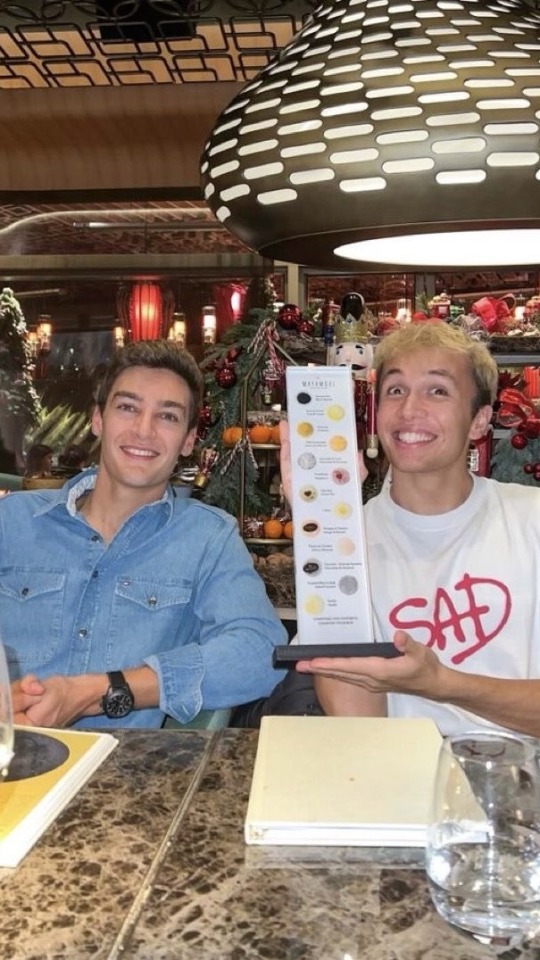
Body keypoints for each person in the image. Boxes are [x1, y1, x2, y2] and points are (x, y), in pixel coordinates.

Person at [5, 340, 287, 730]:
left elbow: (262, 652)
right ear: (98, 420)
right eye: (128, 407)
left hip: (119, 765)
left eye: (167, 416)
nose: (143, 430)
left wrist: (105, 690)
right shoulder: (12, 521)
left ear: (188, 441)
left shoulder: (207, 538)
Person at [281, 322, 540, 738]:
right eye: (396, 390)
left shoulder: (531, 520)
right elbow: (360, 727)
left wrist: (442, 684)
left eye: (437, 390)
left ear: (479, 420)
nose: (408, 410)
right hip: (397, 767)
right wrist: (325, 526)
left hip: (521, 771)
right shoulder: (348, 541)